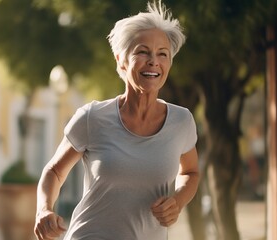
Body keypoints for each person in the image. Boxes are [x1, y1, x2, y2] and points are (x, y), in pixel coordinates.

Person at [34, 1, 199, 239]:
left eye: (162, 54)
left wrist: (178, 201)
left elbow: (191, 172)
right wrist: (43, 210)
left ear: (169, 64)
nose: (153, 61)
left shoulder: (181, 122)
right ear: (121, 60)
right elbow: (54, 171)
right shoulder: (93, 118)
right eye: (143, 51)